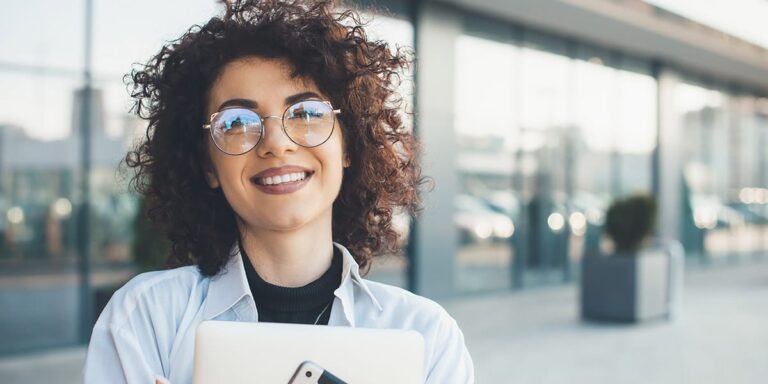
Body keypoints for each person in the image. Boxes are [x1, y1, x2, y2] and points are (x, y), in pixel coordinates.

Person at [82, 1, 475, 383]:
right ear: (208, 166)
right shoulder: (146, 318)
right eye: (237, 122)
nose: (276, 143)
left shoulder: (426, 337)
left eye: (305, 113)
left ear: (348, 147)